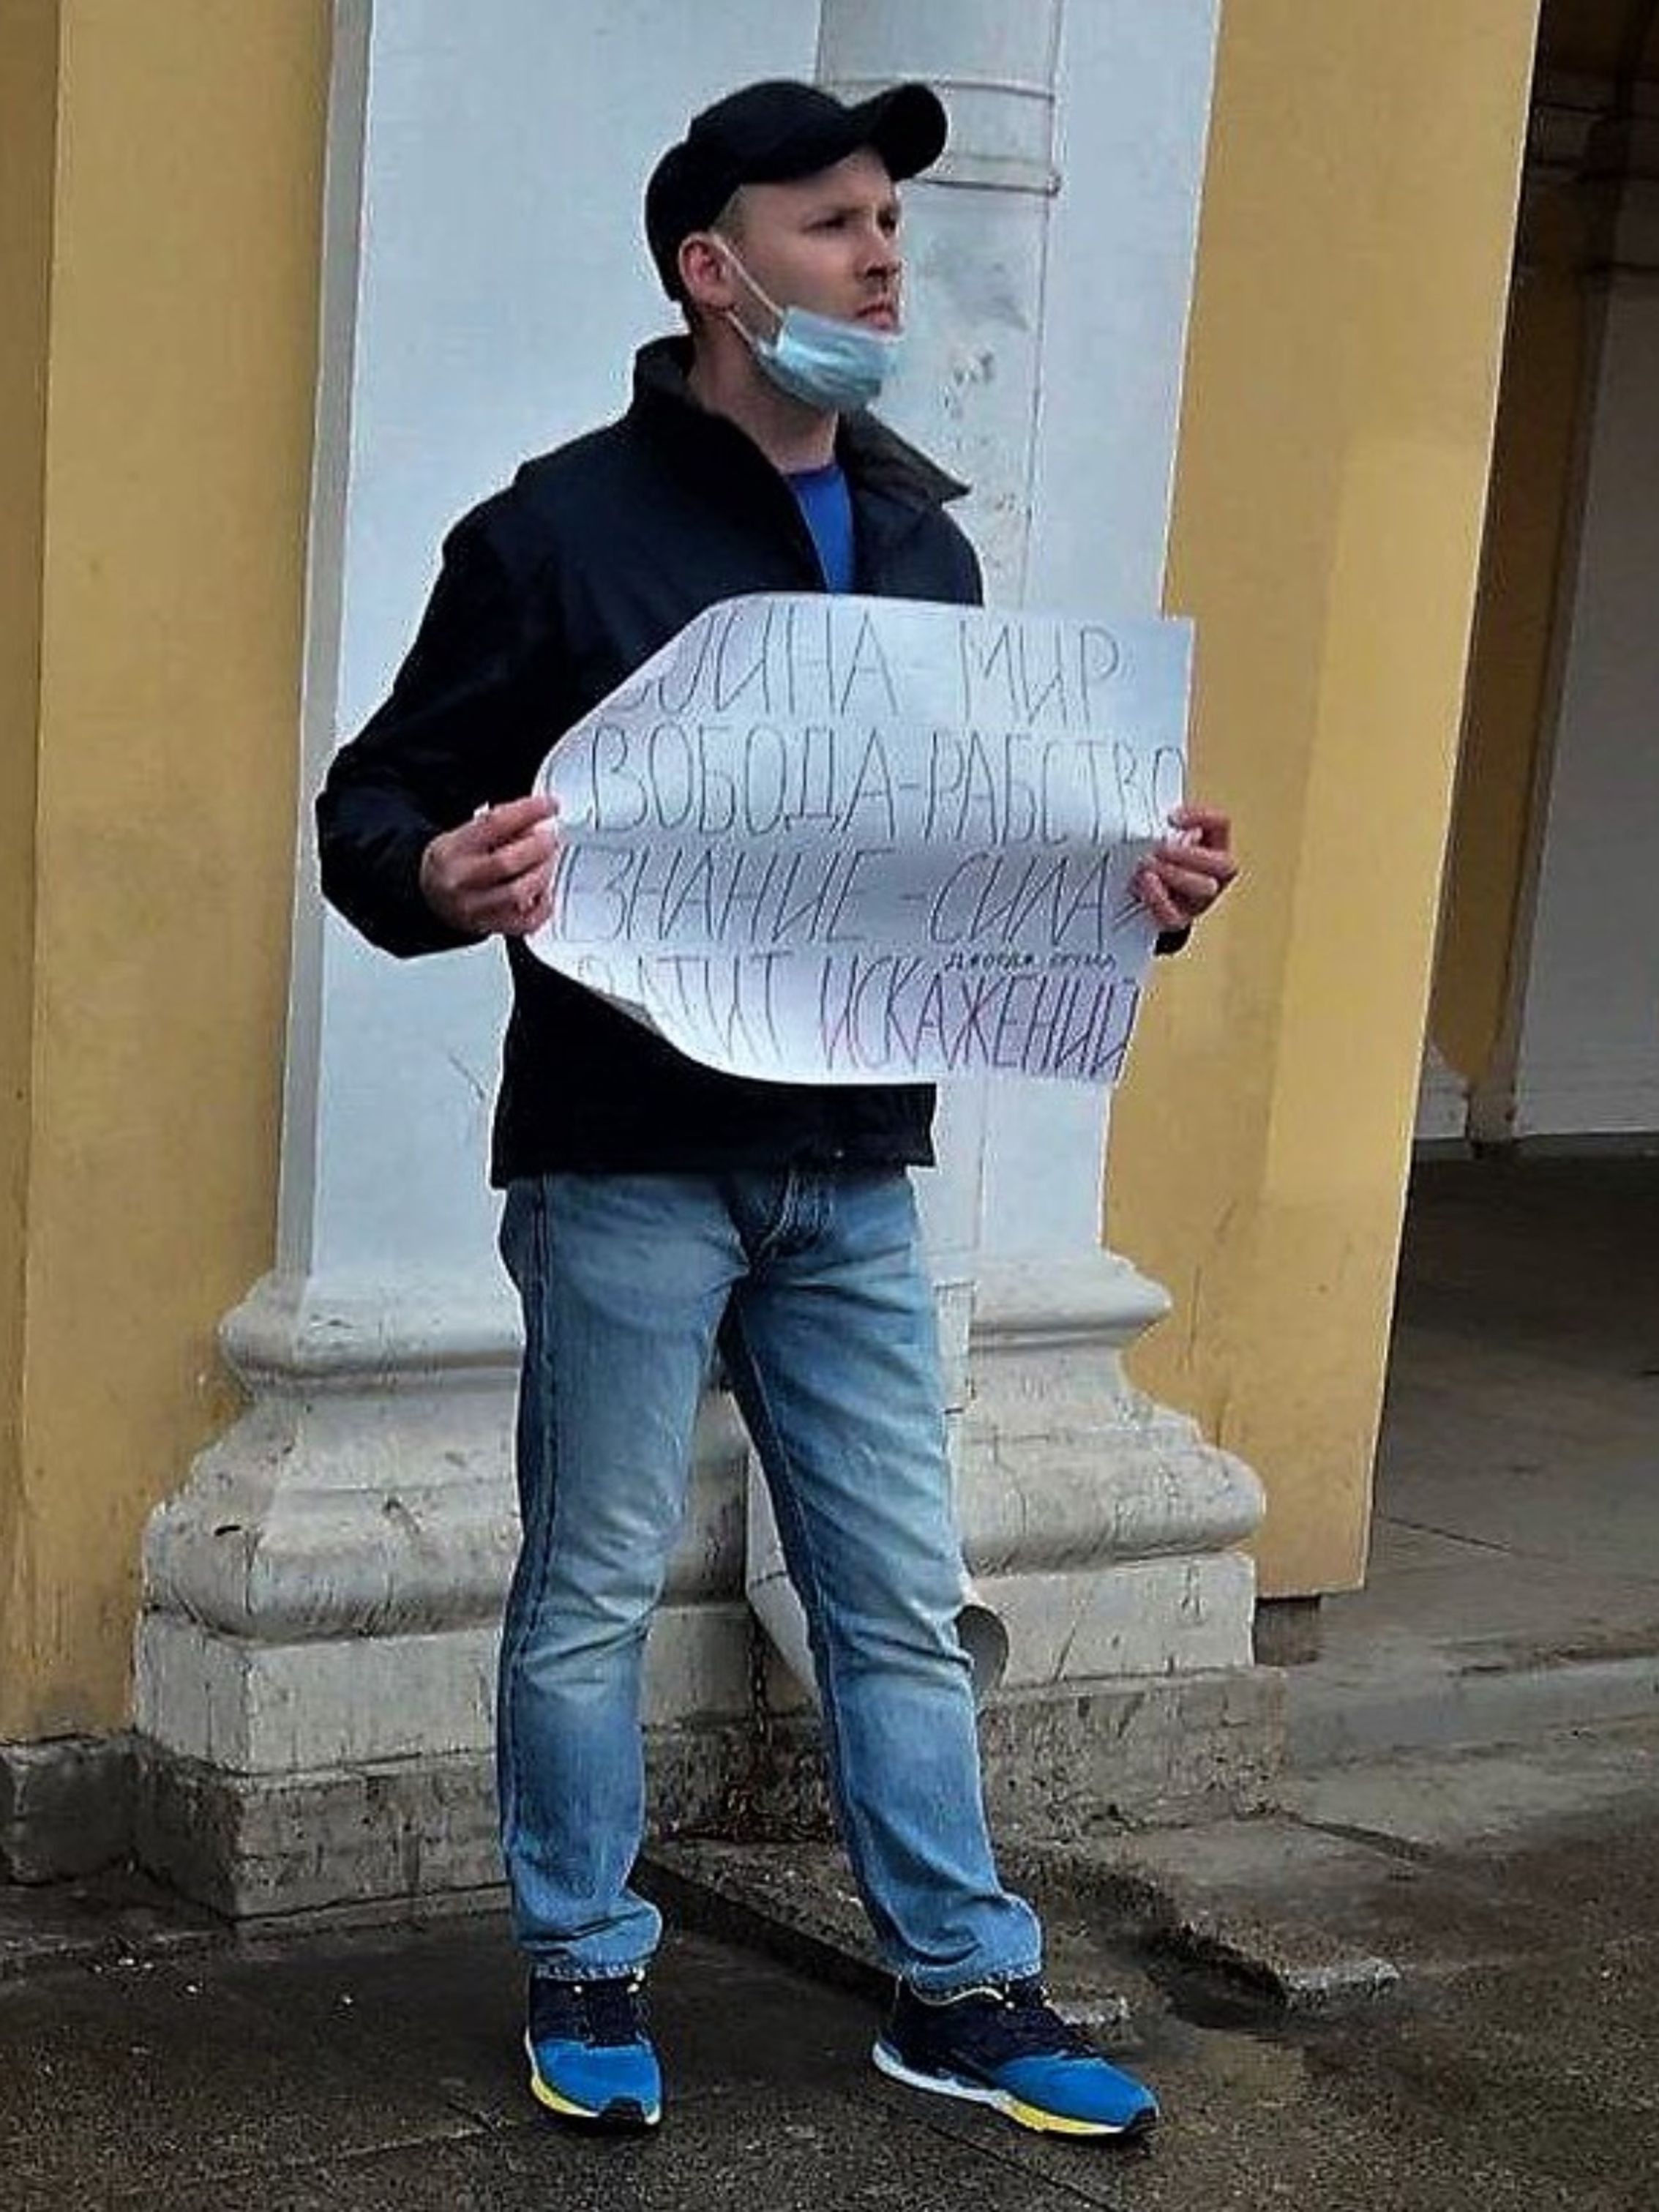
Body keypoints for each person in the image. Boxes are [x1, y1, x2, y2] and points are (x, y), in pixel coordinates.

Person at [314, 78, 1235, 2140]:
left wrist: (1131, 898)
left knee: (898, 1593)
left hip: (849, 1170)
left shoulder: (922, 541)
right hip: (625, 1159)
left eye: (890, 217)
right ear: (712, 272)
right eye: (832, 222)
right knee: (593, 1581)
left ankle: (964, 1988)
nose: (885, 252)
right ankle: (582, 1959)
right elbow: (373, 807)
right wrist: (436, 874)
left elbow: (962, 860)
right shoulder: (556, 530)